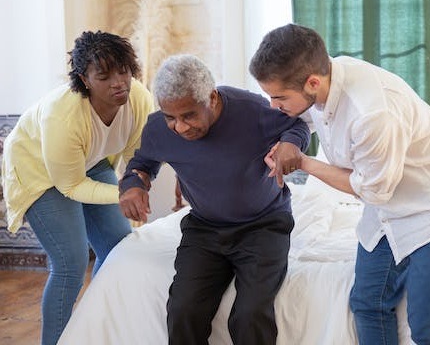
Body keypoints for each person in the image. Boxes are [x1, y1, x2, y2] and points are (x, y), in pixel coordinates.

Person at [249, 23, 430, 345]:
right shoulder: (324, 80)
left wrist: (303, 162)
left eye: (279, 97)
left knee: (429, 330)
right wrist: (287, 142)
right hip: (387, 206)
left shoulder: (371, 114)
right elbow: (303, 119)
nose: (273, 105)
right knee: (367, 305)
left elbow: (371, 190)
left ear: (312, 82)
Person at [118, 54, 310, 345]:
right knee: (183, 311)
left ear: (211, 97)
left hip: (263, 225)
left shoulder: (251, 110)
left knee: (249, 315)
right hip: (205, 228)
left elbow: (297, 126)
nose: (180, 127)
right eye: (171, 117)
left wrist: (290, 144)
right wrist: (133, 186)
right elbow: (142, 164)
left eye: (189, 115)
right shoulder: (158, 128)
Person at [1, 31, 154, 345]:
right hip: (39, 170)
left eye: (124, 71)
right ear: (85, 79)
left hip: (90, 159)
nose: (119, 83)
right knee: (70, 262)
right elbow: (70, 185)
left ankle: (93, 332)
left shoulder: (138, 98)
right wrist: (123, 194)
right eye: (104, 76)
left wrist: (136, 186)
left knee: (118, 248)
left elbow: (136, 157)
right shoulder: (63, 116)